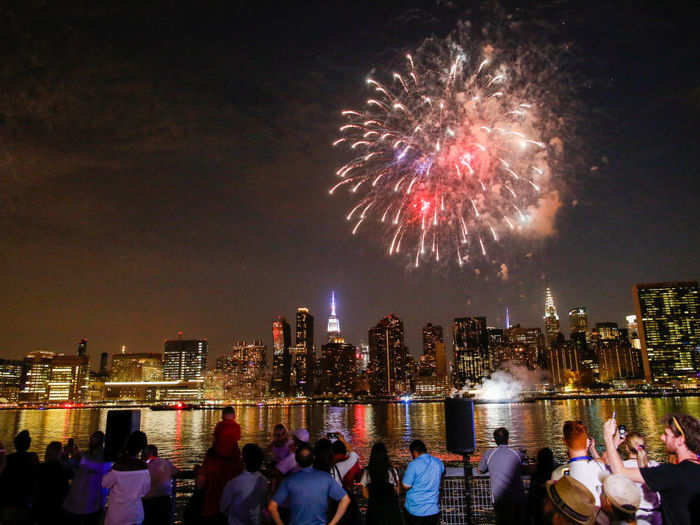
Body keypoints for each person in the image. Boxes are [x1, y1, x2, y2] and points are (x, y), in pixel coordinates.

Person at [603, 413, 700, 525]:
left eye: (666, 434)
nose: (662, 438)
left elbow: (620, 472)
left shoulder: (671, 473)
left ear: (680, 440)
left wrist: (608, 439)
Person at [269, 443, 351, 525]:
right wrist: (332, 524)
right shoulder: (326, 478)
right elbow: (345, 500)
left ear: (296, 460)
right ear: (314, 458)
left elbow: (272, 507)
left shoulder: (289, 480)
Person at [478, 427, 526, 525]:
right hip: (517, 497)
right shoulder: (517, 454)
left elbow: (480, 470)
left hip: (499, 499)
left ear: (495, 440)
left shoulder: (489, 454)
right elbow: (523, 465)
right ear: (508, 439)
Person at [102, 430, 151, 525]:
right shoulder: (144, 468)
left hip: (117, 515)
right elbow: (145, 491)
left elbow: (104, 483)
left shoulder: (118, 467)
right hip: (135, 514)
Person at [63, 431, 113, 525]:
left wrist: (79, 458)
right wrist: (65, 455)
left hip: (92, 504)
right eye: (91, 438)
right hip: (76, 502)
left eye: (94, 438)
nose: (90, 440)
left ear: (101, 441)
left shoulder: (105, 457)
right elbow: (70, 466)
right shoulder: (85, 454)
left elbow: (98, 466)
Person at [559, 421, 609, 510]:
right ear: (587, 442)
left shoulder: (558, 474)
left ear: (564, 441)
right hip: (596, 518)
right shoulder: (600, 467)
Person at [220, 444, 269, 525]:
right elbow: (263, 505)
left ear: (243, 460)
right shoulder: (264, 481)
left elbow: (223, 508)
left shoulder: (234, 483)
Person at [619, 433, 661, 525]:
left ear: (627, 448)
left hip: (637, 516)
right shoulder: (655, 465)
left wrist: (614, 444)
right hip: (657, 515)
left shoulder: (623, 467)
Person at [0, 429, 39, 523]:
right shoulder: (33, 458)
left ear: (15, 444)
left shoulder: (9, 459)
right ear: (28, 444)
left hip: (9, 501)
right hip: (26, 502)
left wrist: (2, 449)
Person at [402, 439, 444, 525]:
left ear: (414, 452)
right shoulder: (438, 462)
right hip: (433, 509)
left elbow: (406, 485)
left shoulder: (413, 465)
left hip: (415, 510)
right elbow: (442, 473)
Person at [360, 442, 401, 525]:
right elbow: (397, 491)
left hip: (374, 510)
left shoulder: (367, 472)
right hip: (391, 510)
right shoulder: (392, 470)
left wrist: (374, 500)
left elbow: (365, 494)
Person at [34, 441, 72, 524]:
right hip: (57, 508)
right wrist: (66, 458)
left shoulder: (41, 468)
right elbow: (71, 474)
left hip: (41, 507)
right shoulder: (61, 469)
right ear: (58, 454)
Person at [142, 444, 178, 525]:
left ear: (149, 454)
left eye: (144, 453)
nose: (142, 455)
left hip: (148, 501)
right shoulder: (166, 462)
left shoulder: (143, 465)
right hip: (165, 500)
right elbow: (175, 472)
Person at [528, 448, 559, 525]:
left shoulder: (536, 476)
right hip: (552, 514)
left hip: (538, 513)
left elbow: (531, 497)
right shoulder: (556, 474)